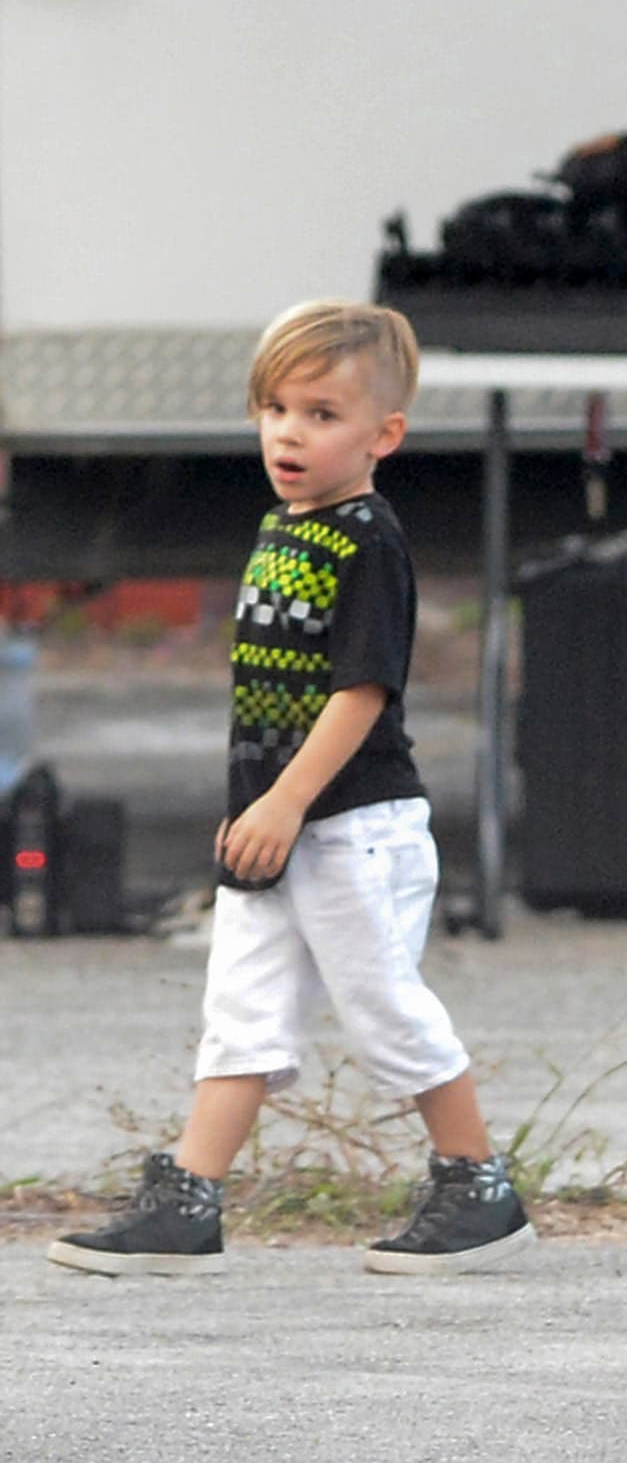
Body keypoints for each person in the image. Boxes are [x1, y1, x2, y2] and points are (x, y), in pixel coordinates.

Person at [49, 301, 534, 1279]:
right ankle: (189, 1200)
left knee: (383, 1006)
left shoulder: (367, 539)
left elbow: (360, 693)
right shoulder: (284, 524)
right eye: (274, 407)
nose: (288, 432)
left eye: (319, 412)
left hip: (351, 828)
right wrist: (257, 805)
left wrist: (284, 801)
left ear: (382, 435)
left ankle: (476, 1182)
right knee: (243, 1009)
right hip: (275, 831)